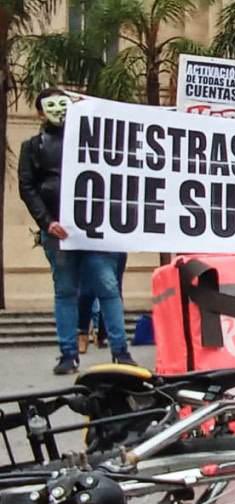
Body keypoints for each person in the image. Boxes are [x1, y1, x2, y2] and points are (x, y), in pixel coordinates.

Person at [18, 88, 135, 374]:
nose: (59, 110)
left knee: (107, 287)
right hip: (58, 232)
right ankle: (68, 354)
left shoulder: (94, 141)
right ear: (40, 112)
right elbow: (27, 187)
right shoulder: (32, 147)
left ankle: (120, 351)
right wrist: (47, 222)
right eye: (52, 106)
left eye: (64, 104)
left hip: (94, 231)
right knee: (66, 290)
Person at [77, 253, 127, 353]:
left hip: (115, 248)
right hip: (90, 249)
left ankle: (105, 336)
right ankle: (84, 333)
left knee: (114, 290)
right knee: (87, 290)